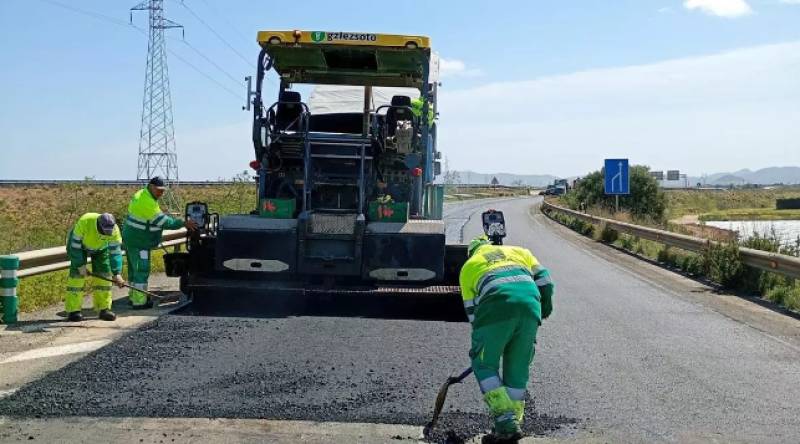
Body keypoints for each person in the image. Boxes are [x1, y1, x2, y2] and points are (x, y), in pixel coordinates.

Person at [459, 236, 555, 443]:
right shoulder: (519, 251)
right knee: (517, 368)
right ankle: (510, 428)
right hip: (530, 308)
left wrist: (485, 343)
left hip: (495, 309)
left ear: (472, 252)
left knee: (484, 365)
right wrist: (544, 309)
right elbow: (545, 281)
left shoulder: (469, 266)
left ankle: (505, 420)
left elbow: (472, 313)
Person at [122, 177, 197, 309]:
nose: (161, 194)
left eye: (163, 191)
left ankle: (134, 297)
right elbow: (163, 222)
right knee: (141, 269)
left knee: (134, 270)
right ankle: (139, 302)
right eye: (159, 190)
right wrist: (183, 223)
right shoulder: (147, 202)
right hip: (140, 241)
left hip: (132, 238)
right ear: (151, 187)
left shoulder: (142, 194)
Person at [65, 212, 126, 322]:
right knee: (76, 278)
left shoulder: (115, 230)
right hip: (80, 247)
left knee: (104, 275)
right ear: (99, 225)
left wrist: (117, 273)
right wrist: (80, 265)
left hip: (101, 249)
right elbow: (75, 247)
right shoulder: (85, 221)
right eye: (105, 231)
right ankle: (73, 311)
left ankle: (104, 309)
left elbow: (115, 252)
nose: (107, 233)